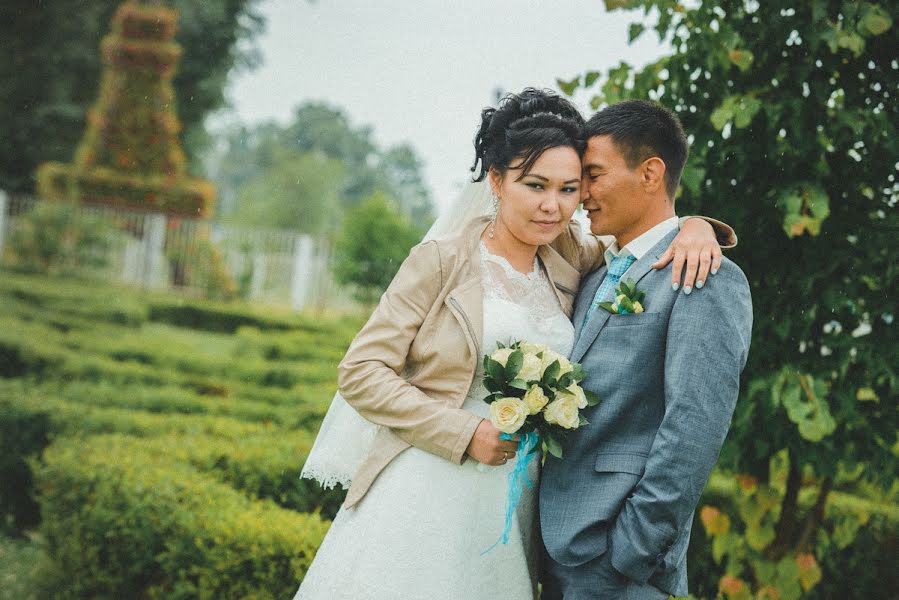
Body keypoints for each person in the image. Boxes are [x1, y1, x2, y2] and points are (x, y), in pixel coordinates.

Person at [293, 89, 735, 600]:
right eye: (535, 185)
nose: (554, 205)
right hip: (431, 482)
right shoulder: (442, 259)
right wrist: (463, 432)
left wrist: (697, 227)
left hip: (519, 504)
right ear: (498, 181)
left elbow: (645, 240)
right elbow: (361, 370)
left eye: (571, 188)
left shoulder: (571, 256)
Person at [539, 100, 753, 599]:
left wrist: (633, 551)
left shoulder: (704, 275)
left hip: (620, 565)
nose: (581, 194)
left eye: (592, 175)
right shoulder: (593, 273)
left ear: (651, 172)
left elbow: (694, 424)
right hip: (554, 550)